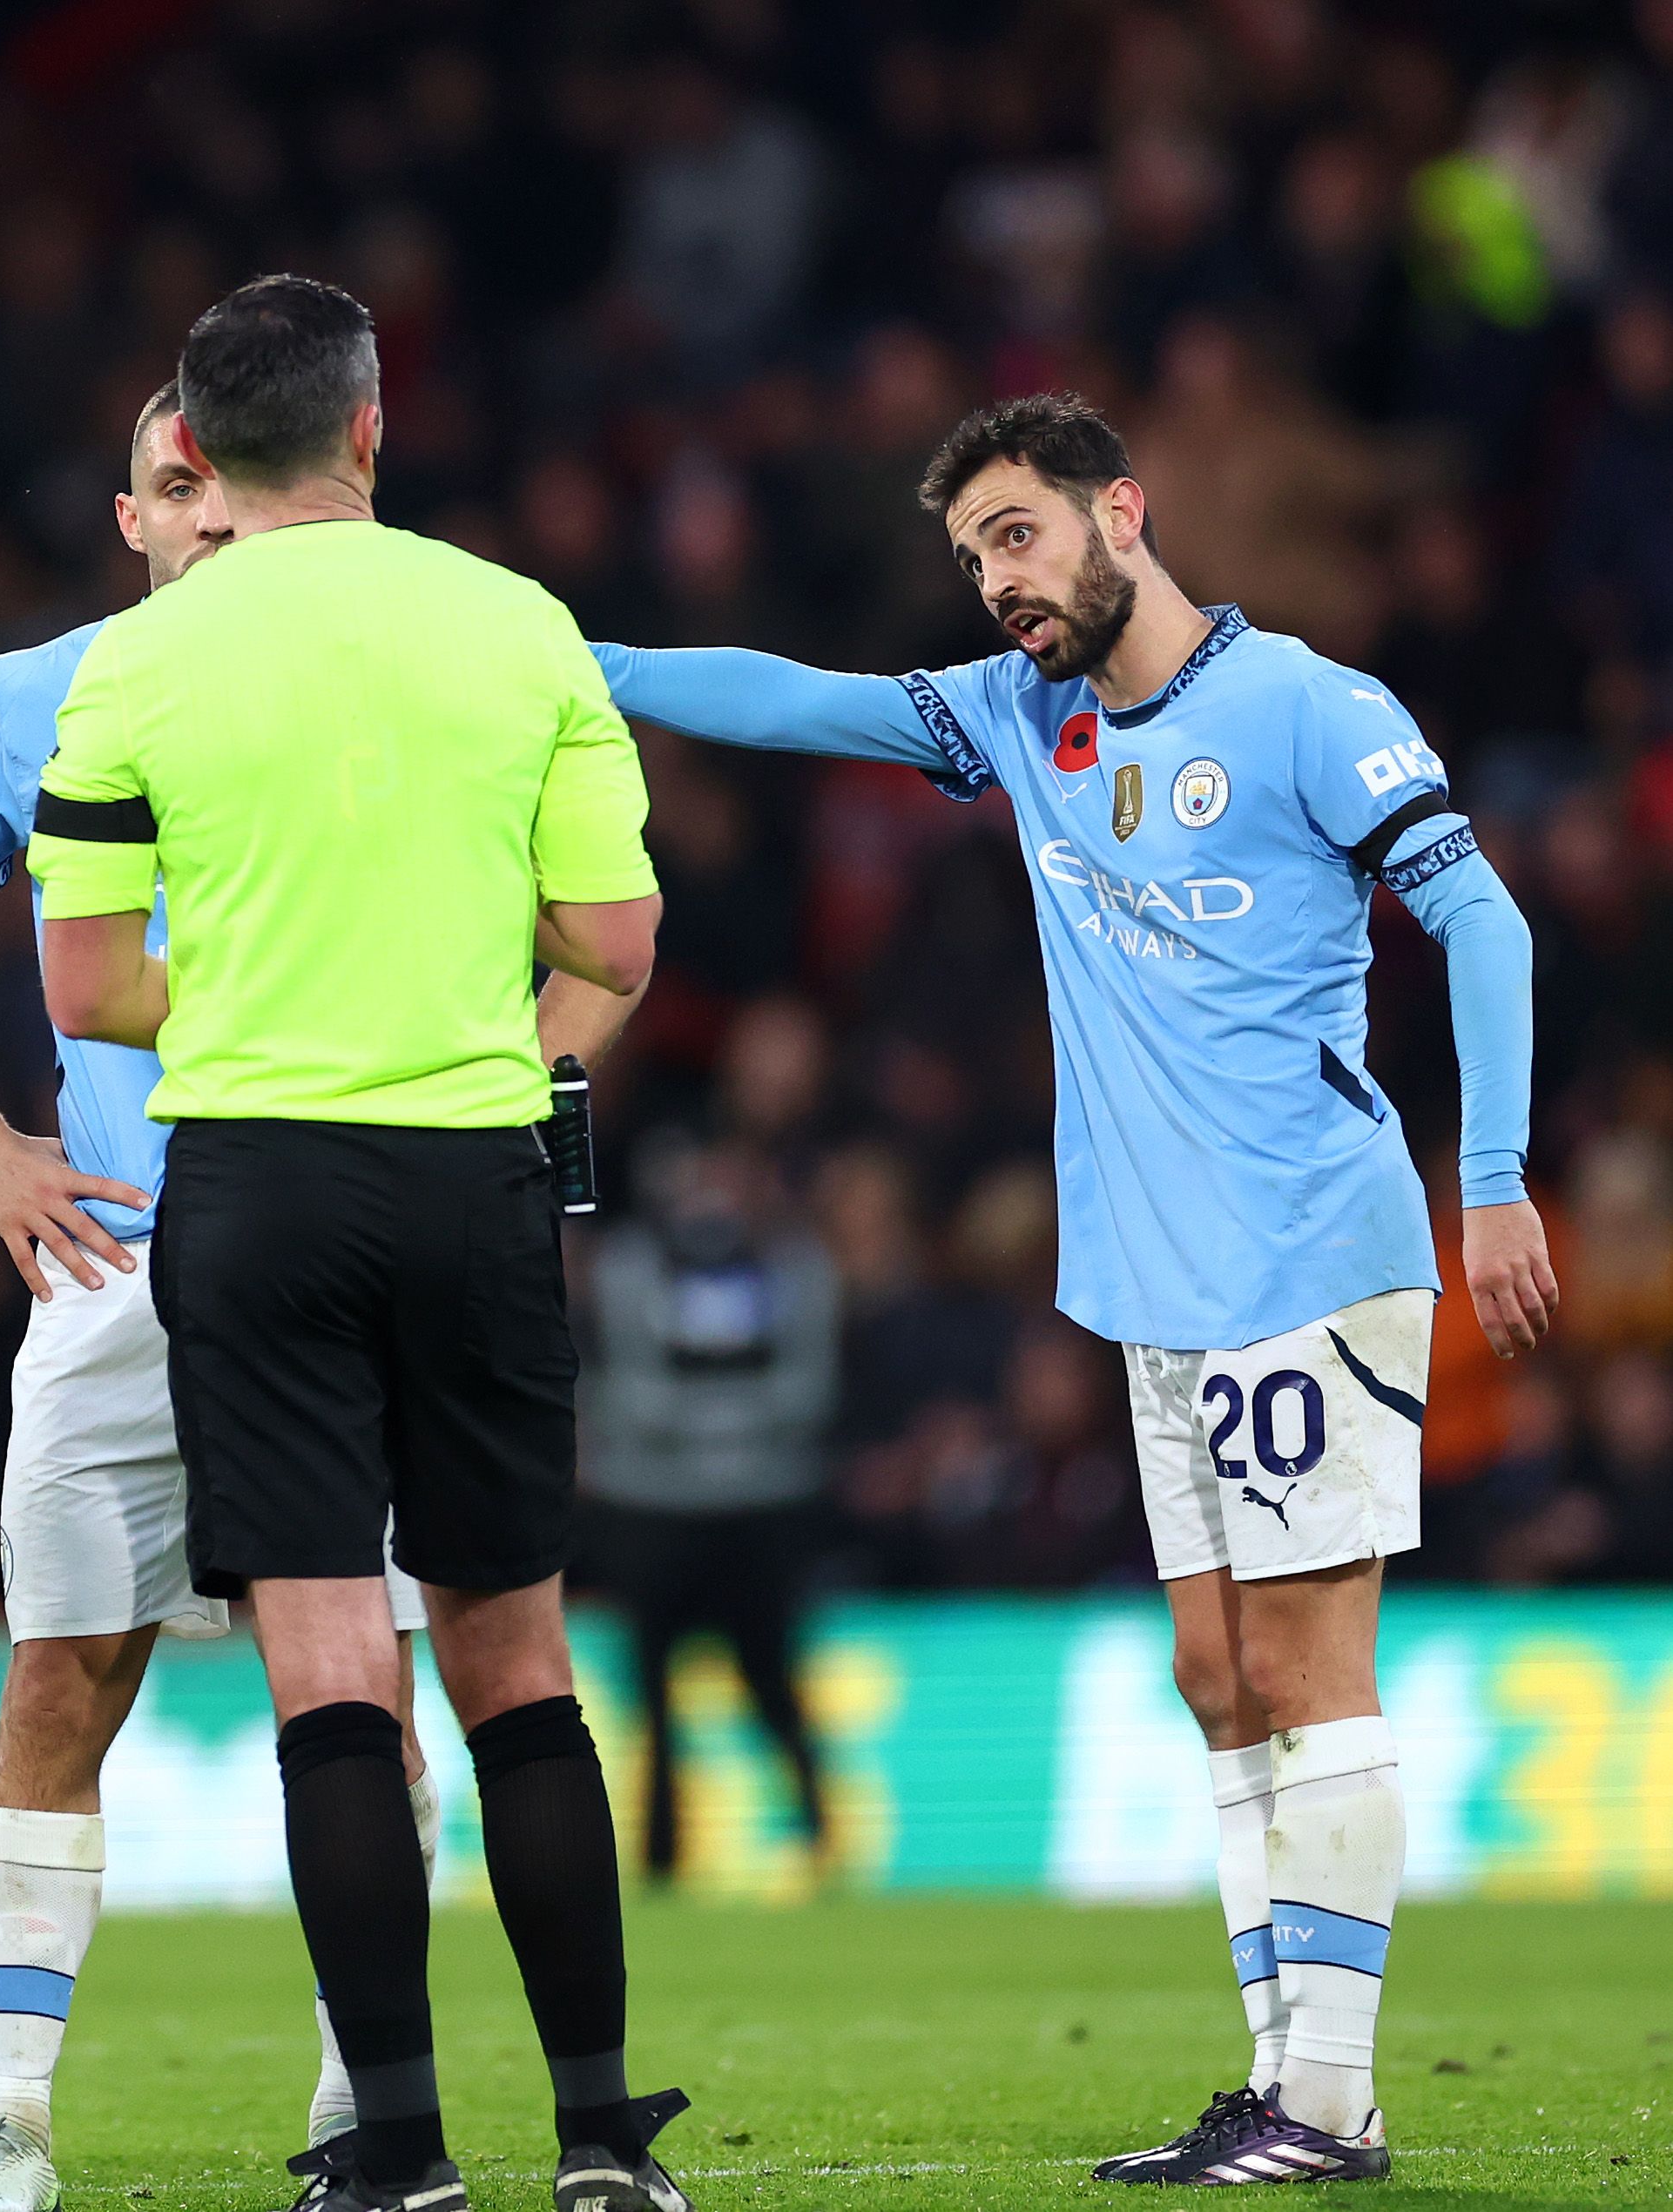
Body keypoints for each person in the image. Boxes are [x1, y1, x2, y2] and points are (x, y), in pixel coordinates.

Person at [594, 391, 1554, 2188]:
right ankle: (1284, 2082)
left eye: (1019, 536)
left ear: (1121, 509)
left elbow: (1480, 919)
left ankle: (1325, 2102)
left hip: (1304, 1251)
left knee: (1299, 1661)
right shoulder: (1015, 718)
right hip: (1149, 1288)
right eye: (971, 560)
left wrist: (1488, 1180)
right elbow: (794, 699)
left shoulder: (1306, 709)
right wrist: (565, 660)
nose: (995, 585)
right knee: (1210, 1673)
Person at [26, 275, 688, 2212]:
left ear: (196, 460)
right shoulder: (517, 623)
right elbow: (619, 948)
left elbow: (79, 985)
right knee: (512, 1654)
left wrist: (246, 985)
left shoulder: (130, 666)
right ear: (369, 430)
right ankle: (595, 2140)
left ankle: (389, 2146)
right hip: (473, 1168)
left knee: (327, 1661)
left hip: (252, 1187)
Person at [0, 381, 439, 2212]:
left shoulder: (375, 678)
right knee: (56, 1685)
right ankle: (5, 2139)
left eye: (221, 484)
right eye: (166, 487)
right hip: (124, 1273)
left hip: (343, 1260)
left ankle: (366, 2114)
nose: (199, 514)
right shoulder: (28, 699)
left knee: (358, 1703)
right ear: (128, 517)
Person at [577, 1140, 837, 1885]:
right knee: (653, 1698)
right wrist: (740, 1430)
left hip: (753, 1515)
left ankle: (822, 1837)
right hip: (654, 1518)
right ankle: (662, 1855)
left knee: (773, 1682)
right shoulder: (632, 1263)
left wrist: (695, 1431)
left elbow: (808, 1390)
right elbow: (628, 1395)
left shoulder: (793, 1264)